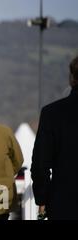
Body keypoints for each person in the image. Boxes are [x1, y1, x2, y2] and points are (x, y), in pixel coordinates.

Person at [31, 55, 78, 220]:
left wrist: (42, 199)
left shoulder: (52, 114)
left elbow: (40, 165)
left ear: (72, 78)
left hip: (63, 204)